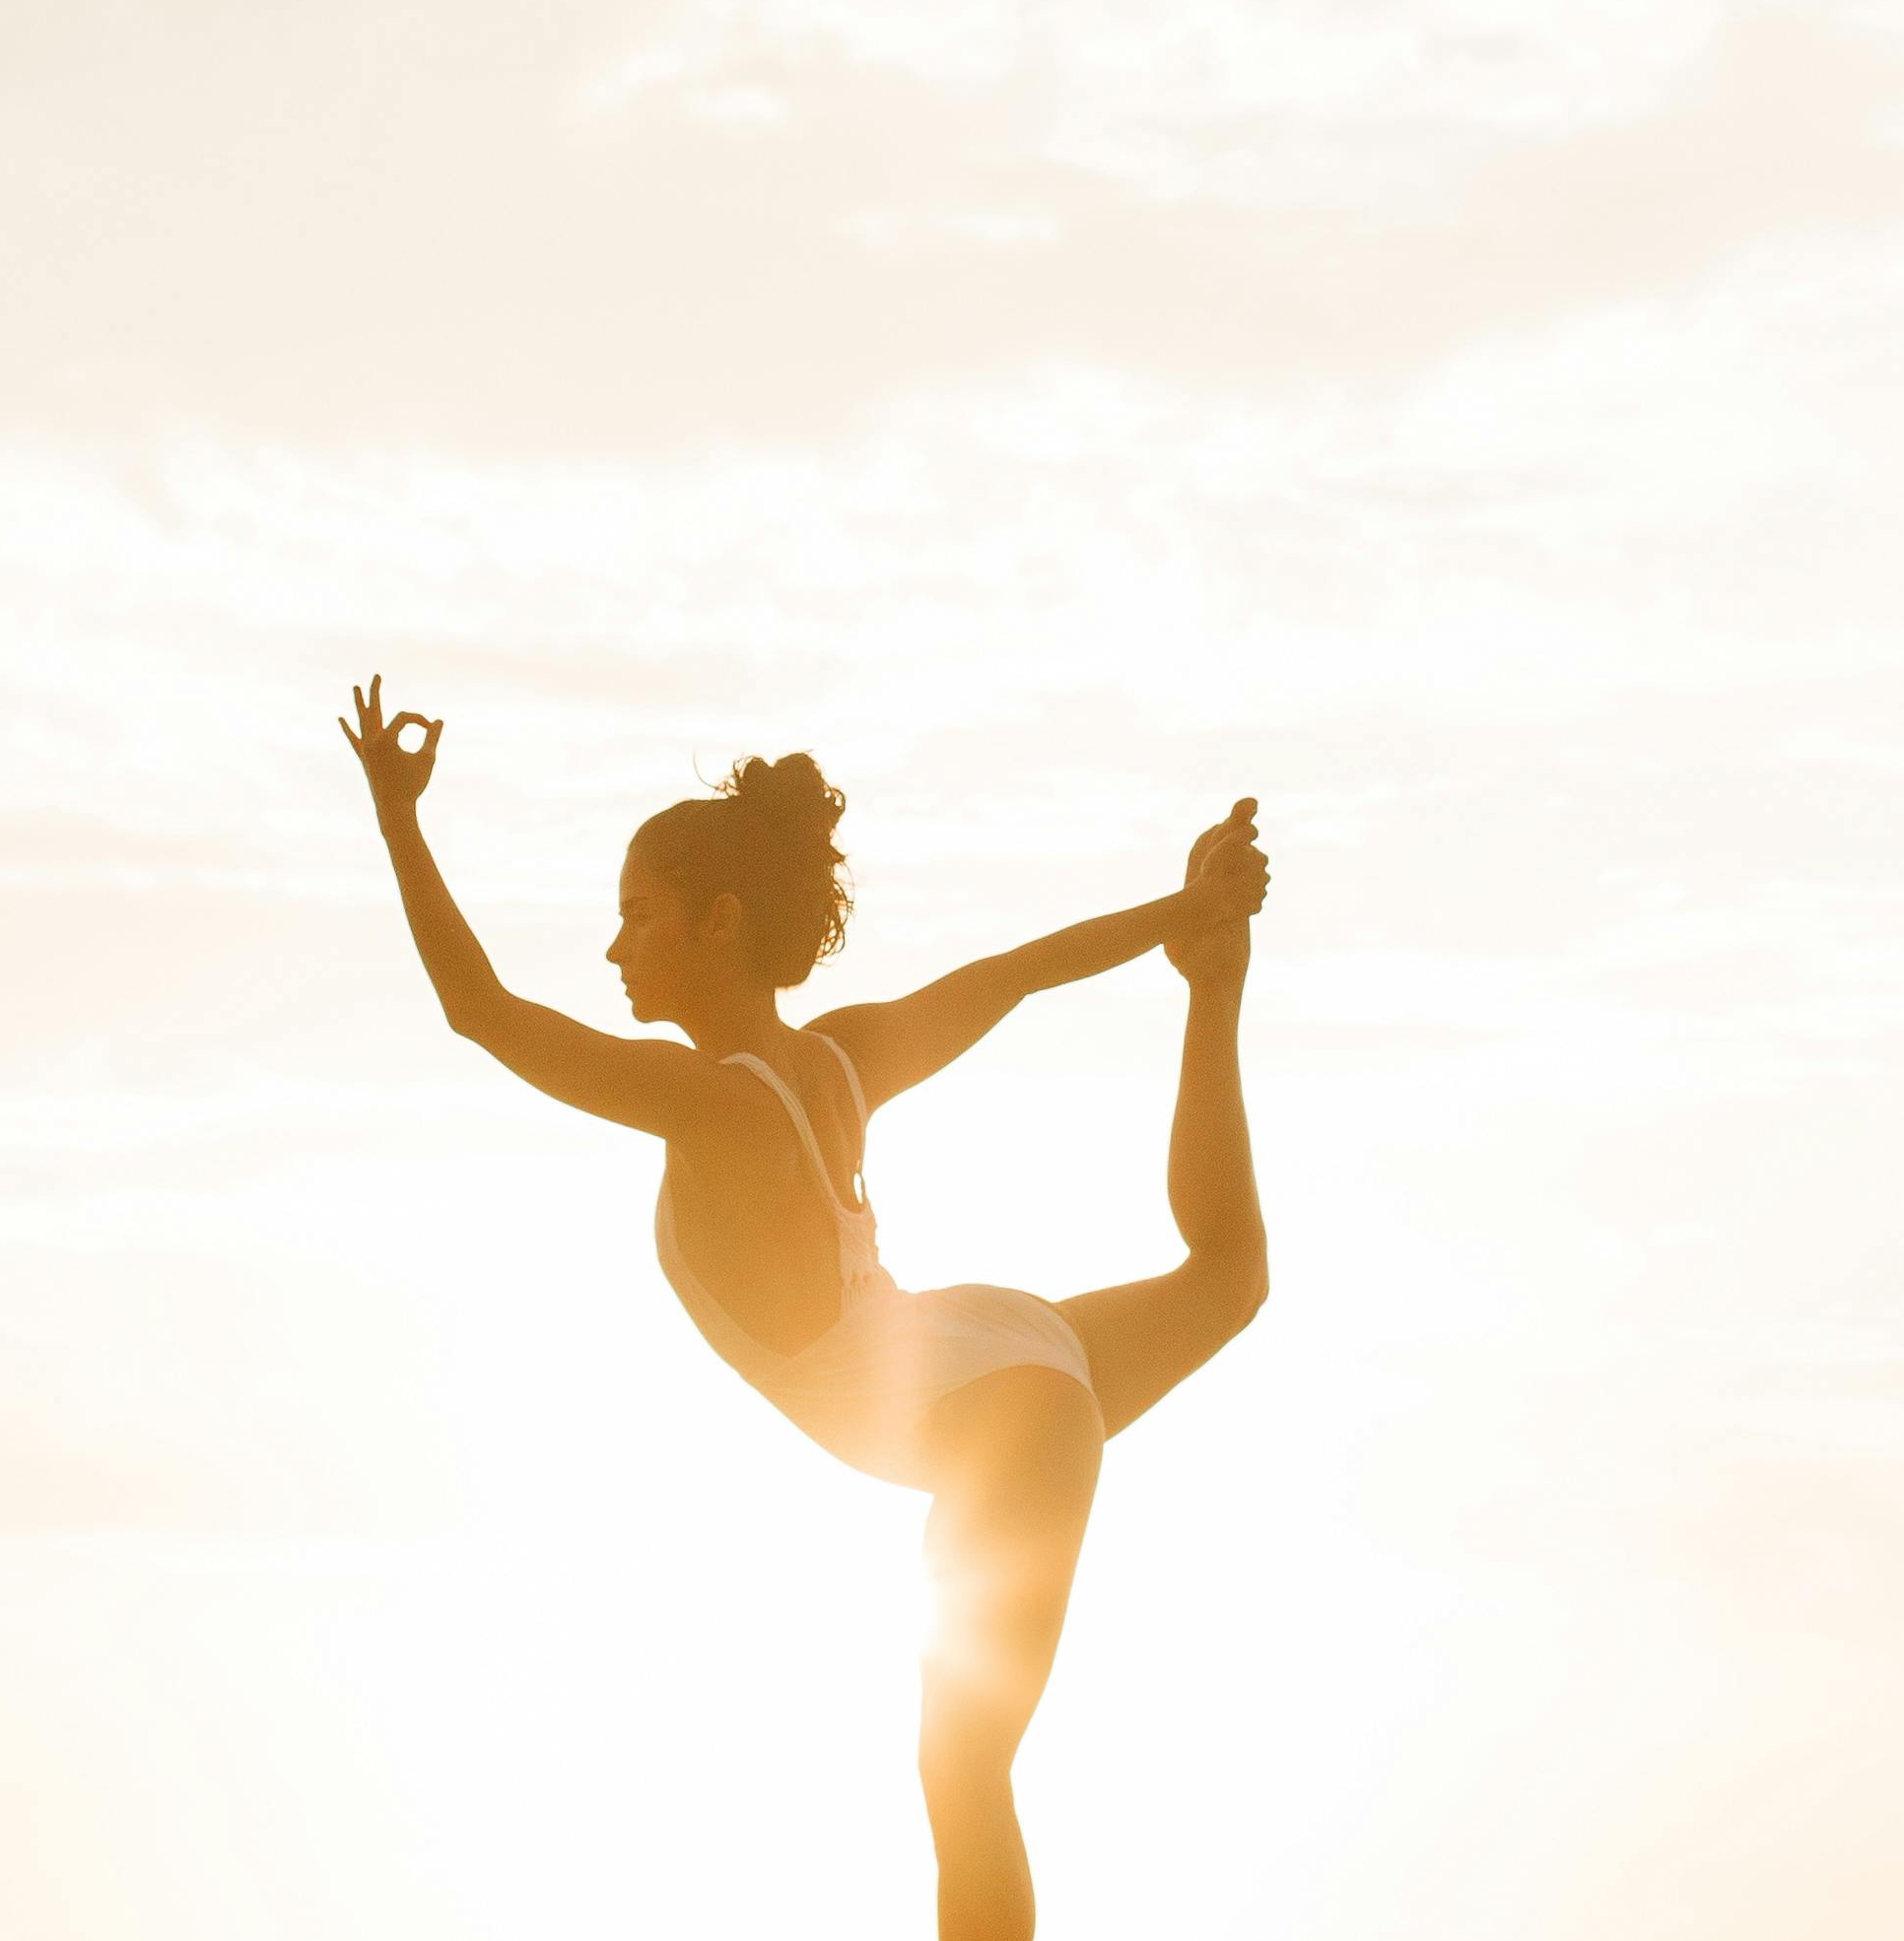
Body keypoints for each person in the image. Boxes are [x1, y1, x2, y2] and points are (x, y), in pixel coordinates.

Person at [344, 675, 1271, 1941]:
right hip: (992, 1347)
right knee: (1225, 1281)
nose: (614, 948)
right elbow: (1013, 974)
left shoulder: (715, 1104)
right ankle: (1214, 988)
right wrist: (1193, 918)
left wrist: (398, 818)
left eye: (637, 916)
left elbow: (480, 1012)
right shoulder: (838, 1057)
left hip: (990, 1401)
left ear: (718, 923)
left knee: (961, 1771)